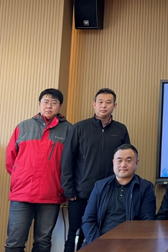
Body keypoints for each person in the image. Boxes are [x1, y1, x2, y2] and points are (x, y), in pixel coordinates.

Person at [61, 88, 130, 252]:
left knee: (105, 235)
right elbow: (67, 160)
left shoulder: (121, 130)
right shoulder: (79, 128)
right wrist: (69, 190)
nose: (104, 105)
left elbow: (126, 160)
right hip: (81, 194)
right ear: (94, 104)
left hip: (109, 193)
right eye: (100, 102)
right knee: (75, 235)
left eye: (108, 102)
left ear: (115, 106)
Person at [5, 88, 72, 252]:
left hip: (51, 193)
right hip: (22, 193)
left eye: (54, 103)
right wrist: (20, 176)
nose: (49, 106)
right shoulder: (23, 126)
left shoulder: (69, 130)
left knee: (43, 242)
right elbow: (10, 159)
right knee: (14, 242)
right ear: (39, 104)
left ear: (60, 106)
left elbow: (72, 163)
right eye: (46, 102)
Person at [81, 144, 156, 245]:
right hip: (99, 242)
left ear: (136, 163)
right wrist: (98, 244)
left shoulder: (145, 188)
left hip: (131, 244)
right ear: (113, 162)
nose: (123, 165)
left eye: (128, 161)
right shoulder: (100, 186)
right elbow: (88, 220)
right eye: (119, 160)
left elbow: (147, 223)